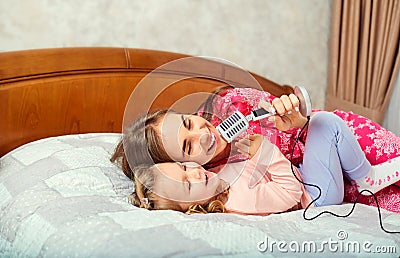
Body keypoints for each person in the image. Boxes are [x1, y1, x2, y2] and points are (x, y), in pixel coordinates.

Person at [111, 86, 400, 213]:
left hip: (327, 160)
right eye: (188, 148)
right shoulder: (225, 189)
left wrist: (296, 122)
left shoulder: (233, 107)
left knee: (324, 121)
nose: (202, 133)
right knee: (327, 125)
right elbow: (286, 189)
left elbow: (306, 136)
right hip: (318, 186)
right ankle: (367, 178)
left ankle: (366, 175)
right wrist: (266, 152)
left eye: (189, 122)